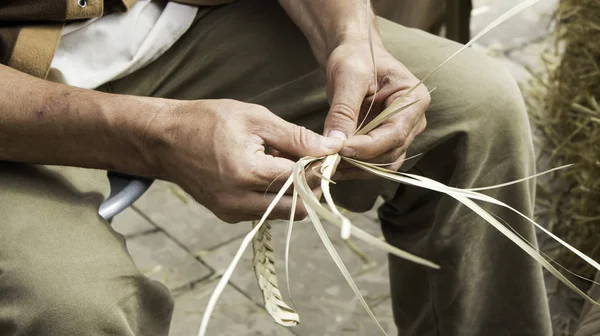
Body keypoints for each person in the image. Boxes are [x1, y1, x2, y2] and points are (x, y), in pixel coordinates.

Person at [0, 0, 552, 335]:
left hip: (186, 24)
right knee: (72, 309)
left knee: (475, 111)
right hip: (17, 94)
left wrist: (350, 36)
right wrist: (157, 138)